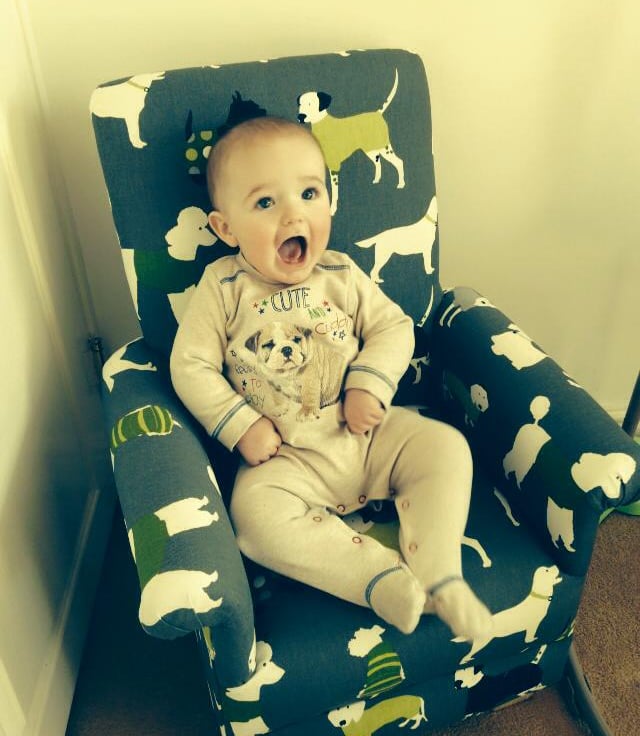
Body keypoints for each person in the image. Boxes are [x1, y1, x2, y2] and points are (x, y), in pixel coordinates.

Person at [170, 116, 492, 638]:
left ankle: (439, 573)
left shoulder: (341, 273)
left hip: (368, 435)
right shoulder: (223, 287)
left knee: (445, 447)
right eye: (265, 202)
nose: (293, 214)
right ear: (226, 228)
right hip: (285, 458)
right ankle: (380, 580)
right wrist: (241, 425)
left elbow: (393, 327)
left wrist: (368, 383)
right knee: (252, 518)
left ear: (330, 199)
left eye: (309, 193)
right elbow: (190, 364)